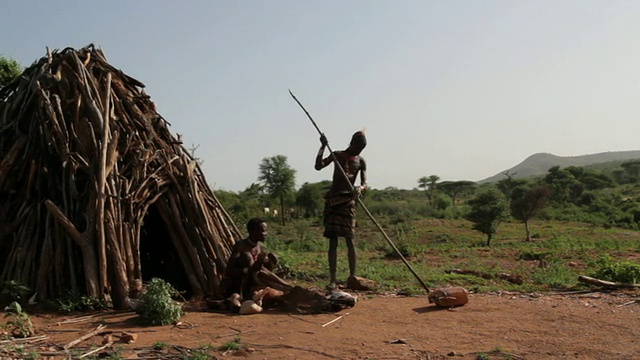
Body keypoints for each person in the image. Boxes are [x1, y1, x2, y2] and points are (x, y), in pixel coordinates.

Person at [315, 130, 367, 290]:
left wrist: (360, 188)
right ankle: (333, 279)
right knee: (333, 241)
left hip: (349, 201)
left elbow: (365, 182)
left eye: (362, 149)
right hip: (334, 200)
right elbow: (318, 166)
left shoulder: (361, 161)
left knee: (350, 239)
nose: (359, 151)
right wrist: (322, 146)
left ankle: (352, 277)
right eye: (358, 147)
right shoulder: (337, 155)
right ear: (352, 143)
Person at [221, 217, 291, 308]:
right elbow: (229, 271)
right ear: (252, 231)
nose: (266, 234)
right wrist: (248, 270)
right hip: (242, 286)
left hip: (258, 281)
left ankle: (287, 287)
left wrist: (270, 263)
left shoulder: (259, 246)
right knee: (247, 256)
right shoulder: (241, 246)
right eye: (263, 231)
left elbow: (262, 269)